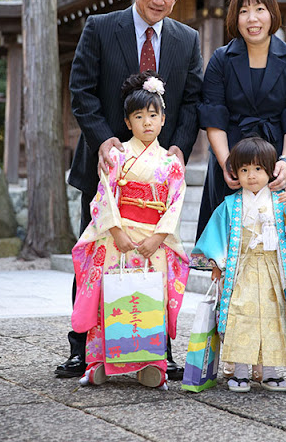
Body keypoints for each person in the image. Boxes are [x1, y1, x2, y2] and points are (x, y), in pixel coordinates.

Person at [55, 0, 203, 380]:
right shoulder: (101, 28)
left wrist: (177, 147)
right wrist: (103, 139)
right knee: (96, 257)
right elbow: (81, 89)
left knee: (156, 260)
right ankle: (82, 348)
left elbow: (191, 101)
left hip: (157, 178)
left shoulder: (186, 40)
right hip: (104, 168)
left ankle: (158, 349)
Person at [72, 72, 189, 387]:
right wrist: (115, 231)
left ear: (164, 120)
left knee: (149, 299)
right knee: (108, 298)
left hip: (154, 240)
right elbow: (104, 196)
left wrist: (158, 236)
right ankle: (97, 363)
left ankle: (151, 365)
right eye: (139, 116)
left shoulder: (171, 162)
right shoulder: (117, 154)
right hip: (118, 237)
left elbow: (175, 202)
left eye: (153, 115)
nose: (147, 122)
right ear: (127, 122)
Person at [191, 137, 286, 393]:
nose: (251, 176)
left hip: (275, 270)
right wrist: (217, 263)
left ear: (271, 169)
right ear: (235, 173)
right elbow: (215, 235)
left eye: (258, 169)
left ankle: (270, 372)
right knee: (241, 317)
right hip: (242, 270)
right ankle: (240, 372)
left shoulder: (284, 200)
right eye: (244, 170)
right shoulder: (230, 205)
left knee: (274, 318)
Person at [196, 0, 286, 241]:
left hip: (279, 159)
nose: (253, 19)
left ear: (272, 13)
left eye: (260, 9)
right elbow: (214, 116)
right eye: (244, 11)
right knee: (231, 248)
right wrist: (227, 163)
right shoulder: (220, 60)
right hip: (232, 159)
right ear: (234, 18)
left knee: (283, 247)